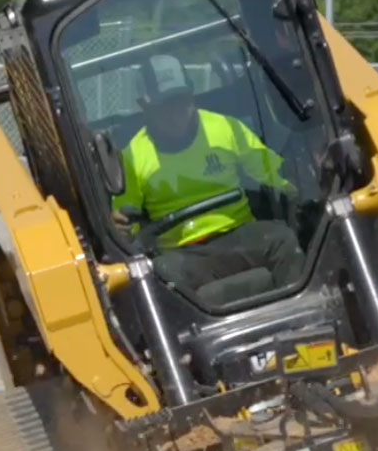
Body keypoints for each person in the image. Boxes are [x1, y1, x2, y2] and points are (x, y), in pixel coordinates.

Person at [110, 65, 306, 302]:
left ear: (192, 96)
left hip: (238, 232)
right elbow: (126, 219)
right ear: (145, 107)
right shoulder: (131, 158)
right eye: (164, 105)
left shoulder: (226, 129)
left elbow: (273, 173)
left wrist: (300, 180)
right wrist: (121, 227)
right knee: (160, 277)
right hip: (182, 252)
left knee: (283, 240)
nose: (175, 112)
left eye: (180, 100)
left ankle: (301, 312)